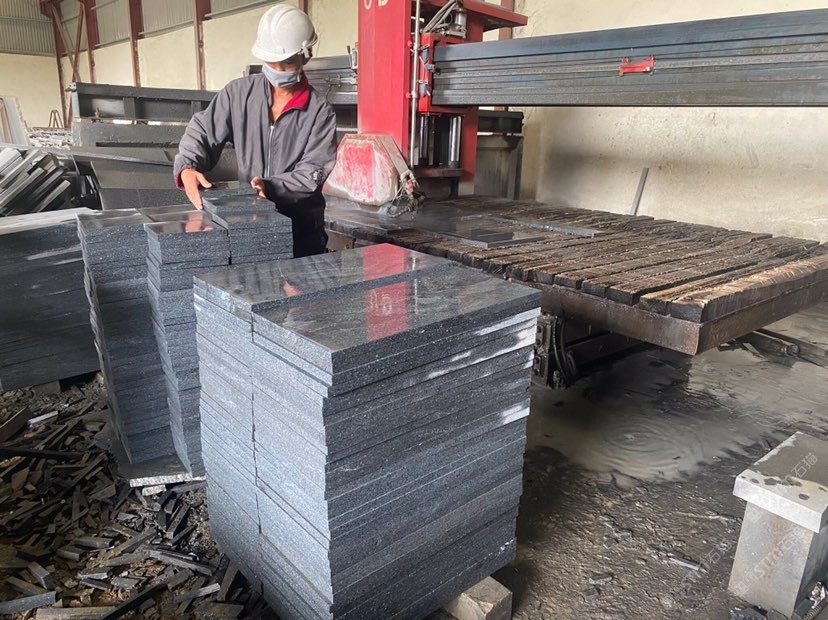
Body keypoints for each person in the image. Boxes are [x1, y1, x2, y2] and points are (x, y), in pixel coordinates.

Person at [174, 4, 337, 257]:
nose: (277, 71)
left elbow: (311, 172)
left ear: (305, 56)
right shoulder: (238, 95)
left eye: (287, 63)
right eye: (271, 62)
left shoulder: (319, 112)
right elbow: (203, 130)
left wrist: (270, 187)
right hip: (250, 226)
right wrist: (187, 166)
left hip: (301, 233)